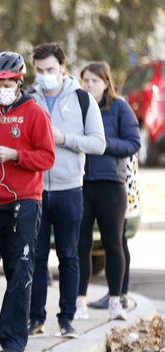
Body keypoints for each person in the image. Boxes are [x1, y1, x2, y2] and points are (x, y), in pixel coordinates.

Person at [0, 51, 55, 352]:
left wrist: (16, 155)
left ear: (19, 82)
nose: (1, 88)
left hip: (24, 204)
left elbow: (47, 157)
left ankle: (13, 340)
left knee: (20, 272)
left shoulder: (35, 112)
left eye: (7, 82)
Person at [28, 43, 106, 339]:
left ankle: (67, 317)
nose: (45, 75)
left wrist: (65, 139)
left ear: (62, 68)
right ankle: (35, 318)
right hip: (35, 189)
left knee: (68, 255)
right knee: (34, 256)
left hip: (69, 188)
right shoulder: (29, 99)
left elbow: (98, 143)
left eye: (51, 70)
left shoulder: (82, 99)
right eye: (40, 70)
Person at [76, 62, 140, 320]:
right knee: (79, 245)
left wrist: (101, 144)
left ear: (106, 82)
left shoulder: (120, 108)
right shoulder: (77, 108)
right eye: (85, 80)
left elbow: (133, 143)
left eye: (94, 80)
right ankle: (78, 302)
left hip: (111, 184)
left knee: (113, 243)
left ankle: (116, 301)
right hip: (80, 184)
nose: (89, 85)